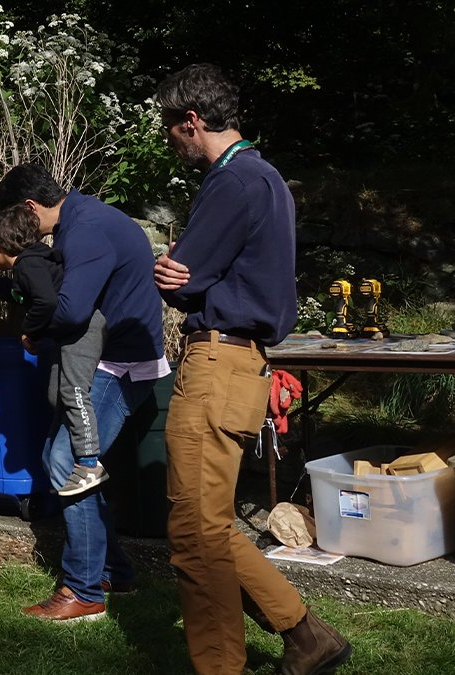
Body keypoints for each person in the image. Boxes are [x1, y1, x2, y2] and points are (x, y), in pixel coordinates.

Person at [152, 63, 351, 675]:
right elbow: (197, 274)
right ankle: (306, 635)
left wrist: (172, 272)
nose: (169, 141)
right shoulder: (264, 178)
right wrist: (183, 276)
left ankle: (220, 667)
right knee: (209, 523)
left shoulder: (232, 182)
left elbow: (184, 277)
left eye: (170, 128)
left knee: (193, 534)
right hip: (239, 365)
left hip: (217, 363)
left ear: (192, 122)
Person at [0, 162, 168, 622]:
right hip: (107, 359)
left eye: (21, 220)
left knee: (67, 462)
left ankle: (84, 590)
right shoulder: (82, 220)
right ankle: (112, 569)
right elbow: (49, 291)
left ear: (30, 206)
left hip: (119, 364)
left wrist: (33, 335)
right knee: (58, 458)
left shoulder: (84, 233)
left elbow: (66, 311)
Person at [0, 203, 107, 495]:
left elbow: (45, 302)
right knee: (55, 393)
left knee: (71, 390)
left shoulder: (27, 266)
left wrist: (30, 331)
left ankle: (90, 463)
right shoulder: (33, 261)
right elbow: (22, 294)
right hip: (70, 332)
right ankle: (65, 449)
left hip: (85, 330)